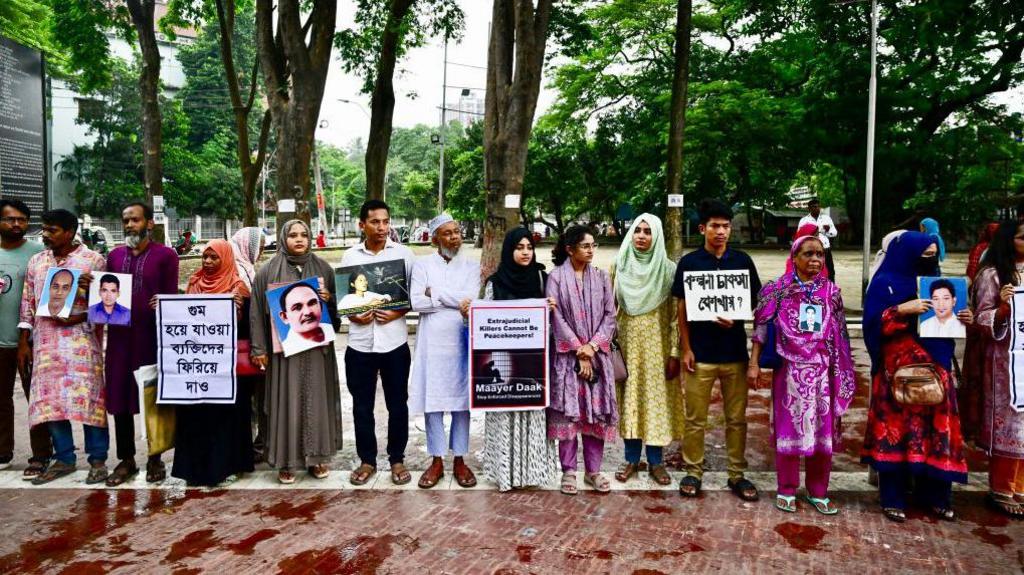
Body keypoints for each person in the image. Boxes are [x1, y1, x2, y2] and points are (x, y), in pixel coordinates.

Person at [861, 231, 971, 522]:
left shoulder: (941, 286)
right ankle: (893, 497)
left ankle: (936, 497)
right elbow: (871, 328)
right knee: (896, 434)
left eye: (933, 255)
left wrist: (963, 318)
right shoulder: (884, 284)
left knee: (936, 434)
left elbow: (949, 328)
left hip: (937, 371)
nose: (930, 261)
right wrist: (899, 310)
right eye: (923, 256)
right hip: (896, 375)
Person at [749, 235, 856, 514]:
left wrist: (842, 372)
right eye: (808, 254)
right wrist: (754, 363)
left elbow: (842, 336)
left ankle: (818, 490)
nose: (815, 260)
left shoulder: (831, 293)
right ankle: (786, 488)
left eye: (819, 255)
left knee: (822, 431)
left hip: (823, 373)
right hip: (789, 372)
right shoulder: (777, 290)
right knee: (791, 427)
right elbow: (760, 328)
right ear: (794, 257)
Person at [674, 200, 762, 501]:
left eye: (726, 226)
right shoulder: (689, 264)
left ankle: (737, 474)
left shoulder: (743, 261)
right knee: (695, 418)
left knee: (736, 419)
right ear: (703, 228)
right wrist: (685, 348)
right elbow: (682, 311)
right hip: (700, 355)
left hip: (735, 354)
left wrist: (737, 317)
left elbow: (756, 304)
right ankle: (693, 471)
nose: (721, 231)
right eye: (715, 226)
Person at [17, 209, 109, 485]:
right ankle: (65, 458)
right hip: (47, 343)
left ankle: (98, 460)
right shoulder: (37, 262)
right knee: (50, 402)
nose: (45, 234)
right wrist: (24, 341)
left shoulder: (93, 261)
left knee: (90, 402)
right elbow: (28, 304)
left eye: (52, 230)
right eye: (44, 229)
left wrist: (86, 300)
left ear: (69, 232)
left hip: (82, 341)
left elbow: (108, 306)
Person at [250, 219, 343, 484]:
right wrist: (259, 349)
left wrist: (329, 301)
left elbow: (337, 315)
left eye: (304, 234)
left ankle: (316, 458)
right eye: (293, 235)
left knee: (316, 401)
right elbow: (256, 312)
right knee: (285, 402)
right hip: (283, 353)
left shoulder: (324, 268)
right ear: (283, 238)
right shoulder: (267, 271)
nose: (299, 239)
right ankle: (286, 461)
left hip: (317, 351)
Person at [340, 199, 415, 486]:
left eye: (385, 221)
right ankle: (367, 460)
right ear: (362, 225)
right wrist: (353, 317)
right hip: (359, 344)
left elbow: (413, 295)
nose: (382, 227)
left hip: (394, 342)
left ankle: (397, 459)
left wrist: (398, 311)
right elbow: (344, 300)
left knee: (398, 404)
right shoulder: (349, 257)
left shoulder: (405, 255)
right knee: (362, 405)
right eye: (375, 222)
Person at [104, 203, 179, 486]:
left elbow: (170, 296)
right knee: (120, 398)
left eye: (135, 220)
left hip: (151, 337)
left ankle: (155, 458)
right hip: (120, 340)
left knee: (151, 396)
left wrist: (163, 302)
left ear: (149, 223)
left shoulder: (166, 256)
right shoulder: (113, 256)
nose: (129, 225)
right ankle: (126, 460)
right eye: (125, 220)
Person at [481, 227, 559, 492]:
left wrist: (550, 310)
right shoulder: (495, 283)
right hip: (504, 366)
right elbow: (486, 324)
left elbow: (554, 324)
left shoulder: (541, 279)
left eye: (529, 248)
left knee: (533, 415)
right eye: (519, 248)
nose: (526, 253)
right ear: (509, 250)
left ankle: (532, 473)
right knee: (505, 416)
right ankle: (506, 474)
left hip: (533, 367)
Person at [171, 240, 255, 487]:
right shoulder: (194, 283)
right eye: (205, 257)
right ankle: (194, 469)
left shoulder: (238, 287)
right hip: (197, 365)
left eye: (214, 258)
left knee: (225, 417)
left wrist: (238, 309)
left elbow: (247, 329)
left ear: (226, 259)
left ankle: (228, 465)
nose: (207, 262)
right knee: (195, 414)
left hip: (226, 368)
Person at [409, 213, 480, 489]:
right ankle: (436, 460)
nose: (455, 237)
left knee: (462, 402)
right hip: (431, 343)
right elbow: (417, 302)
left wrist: (435, 293)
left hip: (461, 339)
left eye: (457, 231)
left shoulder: (471, 267)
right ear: (435, 238)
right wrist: (451, 299)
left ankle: (460, 459)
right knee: (433, 401)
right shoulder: (422, 265)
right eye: (448, 233)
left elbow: (471, 302)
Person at [611, 214, 682, 486]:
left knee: (655, 403)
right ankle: (630, 459)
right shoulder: (620, 265)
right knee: (630, 400)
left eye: (647, 232)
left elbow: (676, 316)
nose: (641, 236)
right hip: (627, 348)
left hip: (658, 349)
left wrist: (674, 352)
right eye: (637, 230)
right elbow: (610, 309)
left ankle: (656, 462)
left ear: (657, 236)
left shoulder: (668, 270)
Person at [547, 225, 618, 494]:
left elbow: (610, 316)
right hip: (567, 359)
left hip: (597, 357)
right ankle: (568, 472)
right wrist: (579, 349)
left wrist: (592, 346)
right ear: (570, 249)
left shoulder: (601, 277)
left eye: (593, 246)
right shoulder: (555, 278)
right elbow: (557, 318)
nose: (591, 250)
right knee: (569, 416)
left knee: (594, 416)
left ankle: (593, 471)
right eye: (585, 246)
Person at [971, 220, 1024, 516]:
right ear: (1008, 241)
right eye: (1022, 238)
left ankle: (1020, 486)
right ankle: (1001, 487)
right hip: (1005, 364)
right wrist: (1003, 310)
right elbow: (981, 319)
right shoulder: (992, 276)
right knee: (1011, 424)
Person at [0, 199, 51, 477]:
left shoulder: (38, 255)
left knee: (37, 399)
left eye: (21, 219)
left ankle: (42, 453)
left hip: (29, 342)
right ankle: (3, 451)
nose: (16, 224)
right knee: (0, 400)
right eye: (10, 219)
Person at [230, 226, 267, 460]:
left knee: (256, 399)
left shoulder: (249, 269)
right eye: (259, 248)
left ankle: (256, 444)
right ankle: (248, 446)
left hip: (252, 345)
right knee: (248, 400)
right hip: (241, 346)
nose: (260, 253)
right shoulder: (235, 270)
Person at [277, 281, 335, 356]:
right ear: (285, 317)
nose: (307, 312)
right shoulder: (285, 347)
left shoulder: (329, 329)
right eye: (297, 307)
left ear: (320, 306)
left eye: (312, 303)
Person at [797, 199, 838, 278]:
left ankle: (831, 289)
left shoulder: (826, 218)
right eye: (814, 207)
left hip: (825, 249)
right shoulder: (804, 220)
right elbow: (799, 236)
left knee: (830, 271)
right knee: (813, 271)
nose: (816, 208)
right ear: (809, 209)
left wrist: (826, 231)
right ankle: (816, 289)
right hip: (810, 251)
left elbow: (834, 233)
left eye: (818, 206)